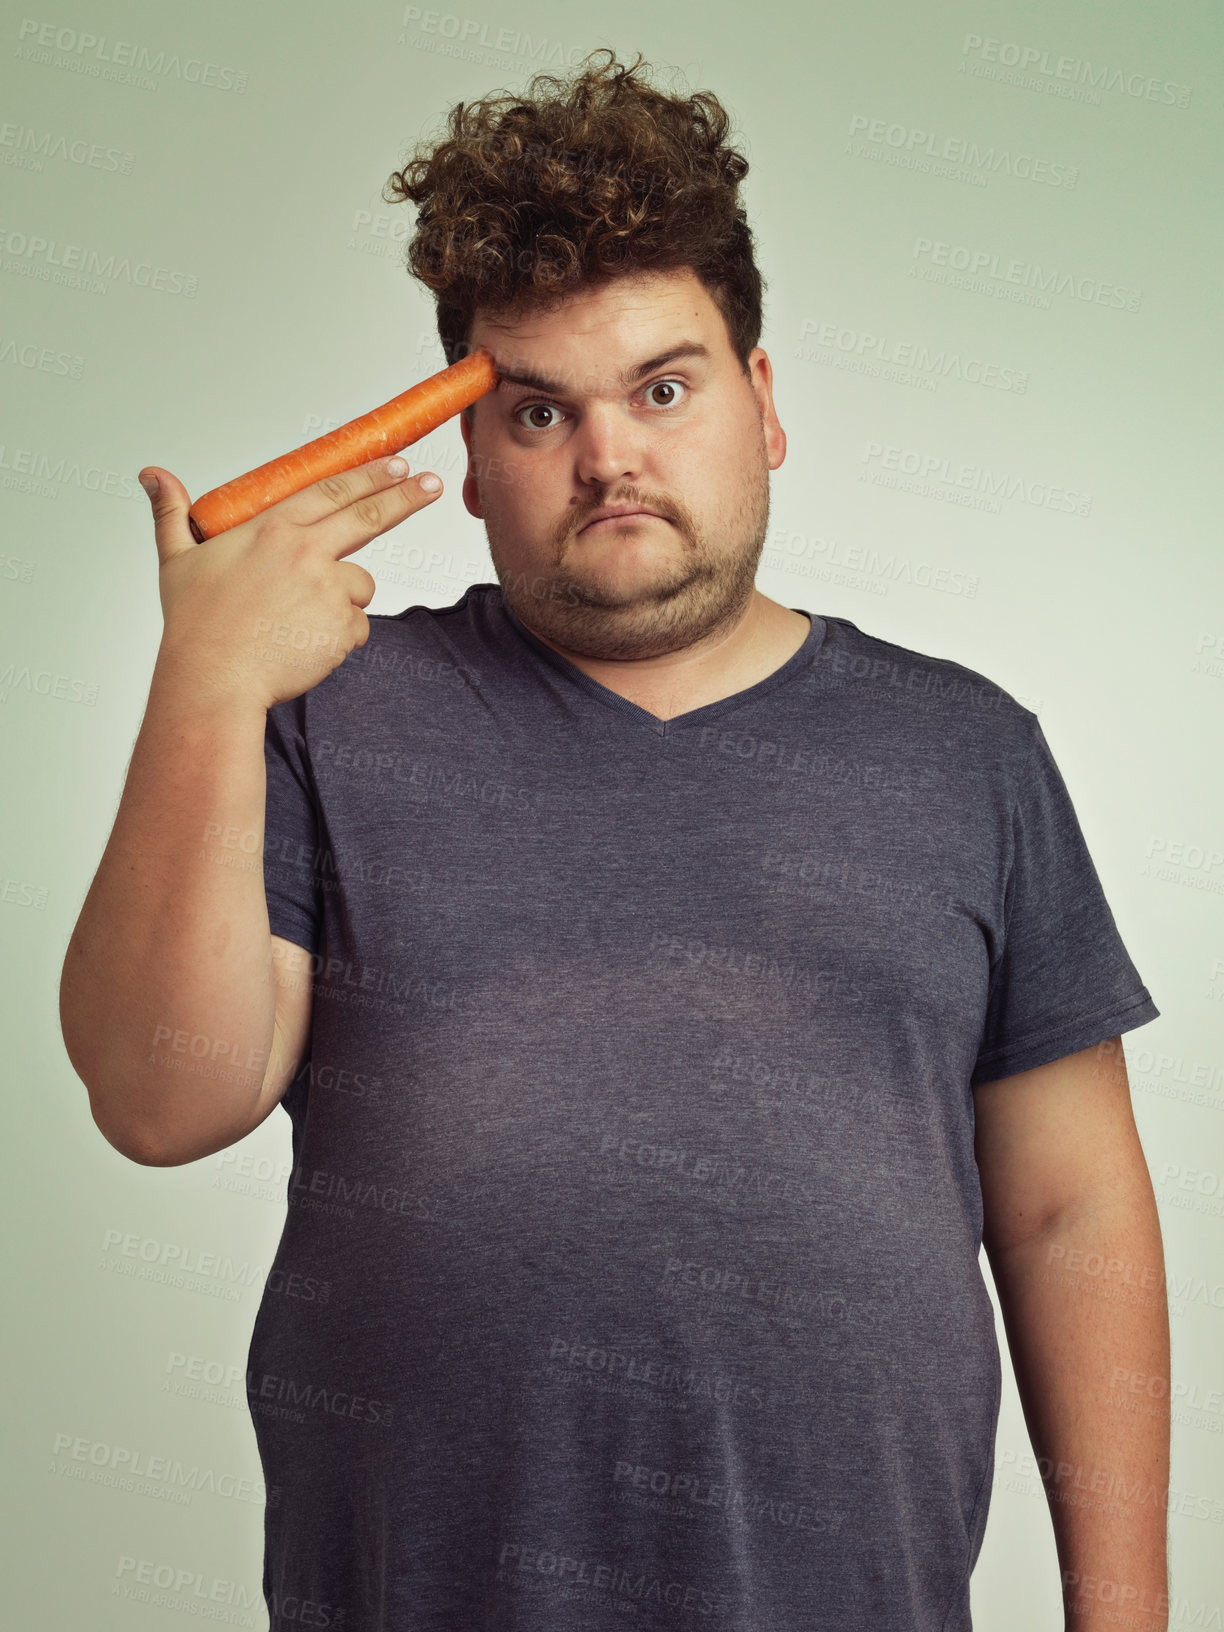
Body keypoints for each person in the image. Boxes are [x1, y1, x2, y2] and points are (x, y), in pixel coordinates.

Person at [60, 47, 1171, 1632]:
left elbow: (1071, 1211)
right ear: (470, 463)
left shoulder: (966, 751)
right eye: (537, 411)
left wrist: (1120, 1614)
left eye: (664, 386)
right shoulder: (331, 716)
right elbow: (163, 1101)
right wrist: (204, 685)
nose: (609, 459)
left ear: (763, 402)